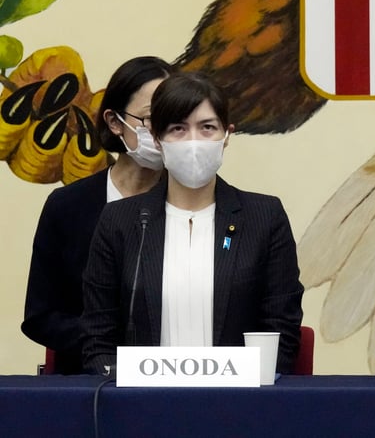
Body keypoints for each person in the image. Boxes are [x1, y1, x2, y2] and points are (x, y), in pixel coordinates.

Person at [81, 72, 303, 374]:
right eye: (178, 129)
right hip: (139, 407)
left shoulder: (264, 217)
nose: (193, 142)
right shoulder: (121, 221)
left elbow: (282, 331)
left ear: (227, 136)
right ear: (157, 140)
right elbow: (97, 337)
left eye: (207, 128)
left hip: (238, 406)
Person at [22, 56, 172, 374]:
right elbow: (41, 316)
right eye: (149, 119)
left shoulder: (196, 202)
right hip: (89, 384)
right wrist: (109, 347)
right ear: (115, 122)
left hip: (177, 377)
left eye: (173, 119)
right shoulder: (68, 206)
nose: (162, 133)